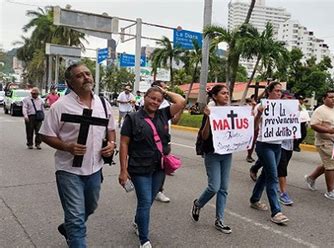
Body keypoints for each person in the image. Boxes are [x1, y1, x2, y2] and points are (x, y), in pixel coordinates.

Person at [39, 63, 116, 247]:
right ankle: (73, 230)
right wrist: (67, 147)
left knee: (90, 207)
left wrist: (111, 144)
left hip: (95, 169)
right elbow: (45, 134)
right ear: (70, 82)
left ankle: (67, 227)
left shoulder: (103, 104)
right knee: (76, 219)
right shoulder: (60, 106)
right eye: (80, 75)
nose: (86, 77)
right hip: (68, 171)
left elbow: (111, 128)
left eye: (88, 73)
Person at [119, 86, 185, 248]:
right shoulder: (132, 118)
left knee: (148, 202)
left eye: (158, 100)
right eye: (152, 98)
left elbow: (181, 101)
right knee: (144, 201)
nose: (155, 102)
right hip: (139, 167)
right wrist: (123, 170)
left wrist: (165, 92)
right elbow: (124, 143)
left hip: (159, 167)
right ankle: (144, 240)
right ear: (145, 97)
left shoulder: (163, 114)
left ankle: (137, 222)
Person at [191, 85, 234, 234]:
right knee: (214, 187)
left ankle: (219, 220)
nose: (226, 96)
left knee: (224, 189)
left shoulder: (230, 111)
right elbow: (204, 136)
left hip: (227, 153)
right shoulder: (210, 112)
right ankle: (198, 203)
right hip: (212, 153)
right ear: (214, 96)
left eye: (227, 93)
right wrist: (209, 117)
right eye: (223, 93)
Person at [249, 82, 289, 225]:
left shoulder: (283, 106)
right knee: (273, 177)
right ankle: (276, 211)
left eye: (280, 91)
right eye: (276, 91)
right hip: (264, 145)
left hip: (277, 145)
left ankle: (254, 199)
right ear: (269, 92)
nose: (279, 93)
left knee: (266, 174)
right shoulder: (261, 105)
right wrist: (259, 113)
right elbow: (254, 126)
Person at [304, 90, 334, 200]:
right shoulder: (320, 110)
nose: (333, 99)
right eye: (330, 97)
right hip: (324, 142)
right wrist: (328, 130)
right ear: (324, 99)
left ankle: (311, 178)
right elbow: (314, 125)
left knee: (329, 163)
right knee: (331, 164)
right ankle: (330, 191)